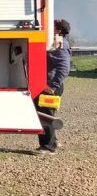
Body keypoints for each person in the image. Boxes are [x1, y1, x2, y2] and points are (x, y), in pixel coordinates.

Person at [33, 18, 71, 155]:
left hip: (49, 87)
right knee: (47, 114)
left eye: (52, 25)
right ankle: (53, 141)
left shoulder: (58, 42)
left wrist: (52, 85)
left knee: (45, 114)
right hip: (48, 85)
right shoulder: (56, 41)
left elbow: (64, 68)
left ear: (58, 30)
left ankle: (48, 147)